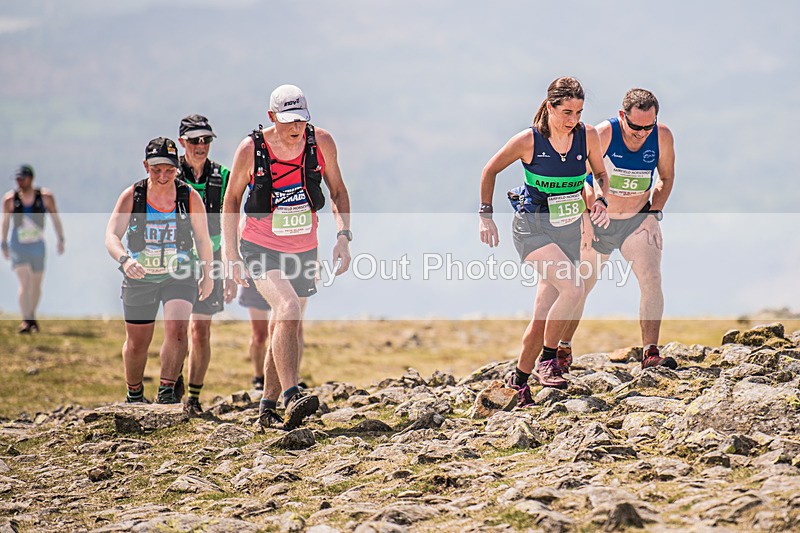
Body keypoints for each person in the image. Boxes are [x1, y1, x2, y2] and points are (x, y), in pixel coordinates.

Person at [222, 84, 351, 430]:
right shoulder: (251, 149)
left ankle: (267, 405)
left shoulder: (320, 142)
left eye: (301, 120)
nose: (296, 129)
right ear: (272, 117)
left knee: (287, 326)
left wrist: (343, 237)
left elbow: (337, 190)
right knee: (287, 308)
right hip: (259, 245)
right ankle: (293, 394)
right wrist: (230, 254)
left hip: (304, 247)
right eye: (288, 121)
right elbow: (232, 200)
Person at [479, 76, 609, 403]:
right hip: (532, 229)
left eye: (578, 112)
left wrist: (599, 200)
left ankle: (518, 382)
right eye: (566, 112)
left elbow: (599, 175)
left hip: (566, 230)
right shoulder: (529, 141)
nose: (573, 120)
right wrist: (485, 216)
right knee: (574, 287)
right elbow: (490, 170)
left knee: (542, 317)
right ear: (550, 107)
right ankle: (548, 360)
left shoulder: (587, 136)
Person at [560, 88, 676, 370]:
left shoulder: (661, 136)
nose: (641, 133)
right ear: (622, 116)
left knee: (651, 277)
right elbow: (577, 179)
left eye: (648, 126)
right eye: (636, 126)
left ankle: (650, 353)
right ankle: (561, 350)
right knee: (580, 286)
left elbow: (666, 177)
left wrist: (653, 212)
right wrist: (585, 218)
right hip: (599, 220)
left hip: (636, 219)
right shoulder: (604, 134)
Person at [105, 137, 213, 404]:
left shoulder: (189, 196)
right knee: (137, 342)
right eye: (156, 170)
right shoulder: (133, 196)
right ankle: (135, 394)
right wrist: (125, 260)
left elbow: (202, 239)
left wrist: (208, 274)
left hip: (180, 274)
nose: (163, 176)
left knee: (178, 330)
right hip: (140, 277)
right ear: (146, 166)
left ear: (177, 167)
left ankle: (166, 394)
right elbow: (111, 235)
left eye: (169, 169)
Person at [176, 114, 236, 417]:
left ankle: (194, 396)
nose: (201, 146)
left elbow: (234, 223)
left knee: (200, 330)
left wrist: (231, 270)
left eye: (206, 140)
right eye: (195, 140)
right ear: (182, 142)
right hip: (176, 262)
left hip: (211, 262)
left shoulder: (223, 176)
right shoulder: (168, 177)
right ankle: (172, 380)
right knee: (177, 330)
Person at [1, 165, 65, 333]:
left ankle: (31, 315)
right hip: (18, 245)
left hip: (37, 245)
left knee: (36, 284)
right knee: (24, 282)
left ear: (30, 178)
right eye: (17, 179)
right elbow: (5, 222)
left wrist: (60, 238)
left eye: (22, 178)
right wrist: (3, 242)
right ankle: (26, 319)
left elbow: (55, 218)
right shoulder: (9, 199)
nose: (19, 182)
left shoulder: (45, 197)